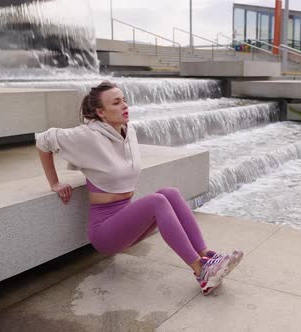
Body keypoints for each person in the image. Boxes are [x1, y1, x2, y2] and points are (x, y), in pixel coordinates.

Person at [35, 80, 243, 295]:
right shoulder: (87, 135)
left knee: (169, 192)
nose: (125, 105)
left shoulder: (128, 131)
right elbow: (43, 141)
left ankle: (207, 256)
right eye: (116, 103)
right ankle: (200, 271)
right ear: (101, 112)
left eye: (124, 100)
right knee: (157, 201)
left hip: (126, 222)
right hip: (104, 232)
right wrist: (54, 182)